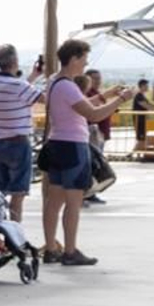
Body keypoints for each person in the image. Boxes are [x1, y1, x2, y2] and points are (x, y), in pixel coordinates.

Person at [40, 40, 126, 266]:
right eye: (85, 58)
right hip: (73, 146)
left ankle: (50, 248)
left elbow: (76, 106)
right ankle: (70, 251)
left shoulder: (54, 82)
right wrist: (120, 100)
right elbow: (94, 115)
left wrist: (104, 95)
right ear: (75, 58)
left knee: (54, 201)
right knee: (73, 201)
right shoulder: (68, 86)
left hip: (56, 144)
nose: (86, 63)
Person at [0, 44, 43, 222]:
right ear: (15, 60)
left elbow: (16, 90)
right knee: (18, 193)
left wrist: (34, 76)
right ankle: (15, 234)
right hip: (18, 143)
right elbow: (44, 99)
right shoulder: (18, 85)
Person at [84, 69, 116, 204]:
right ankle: (86, 193)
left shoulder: (97, 94)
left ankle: (92, 192)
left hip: (99, 134)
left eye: (99, 78)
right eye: (94, 78)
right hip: (91, 133)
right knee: (91, 165)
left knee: (96, 165)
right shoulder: (87, 95)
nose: (98, 81)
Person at [132, 78, 152, 150]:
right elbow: (148, 106)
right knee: (141, 139)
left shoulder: (142, 96)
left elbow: (149, 105)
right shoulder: (139, 96)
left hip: (143, 120)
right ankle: (130, 154)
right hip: (139, 120)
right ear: (142, 86)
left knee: (143, 139)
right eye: (146, 85)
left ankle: (137, 153)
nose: (147, 87)